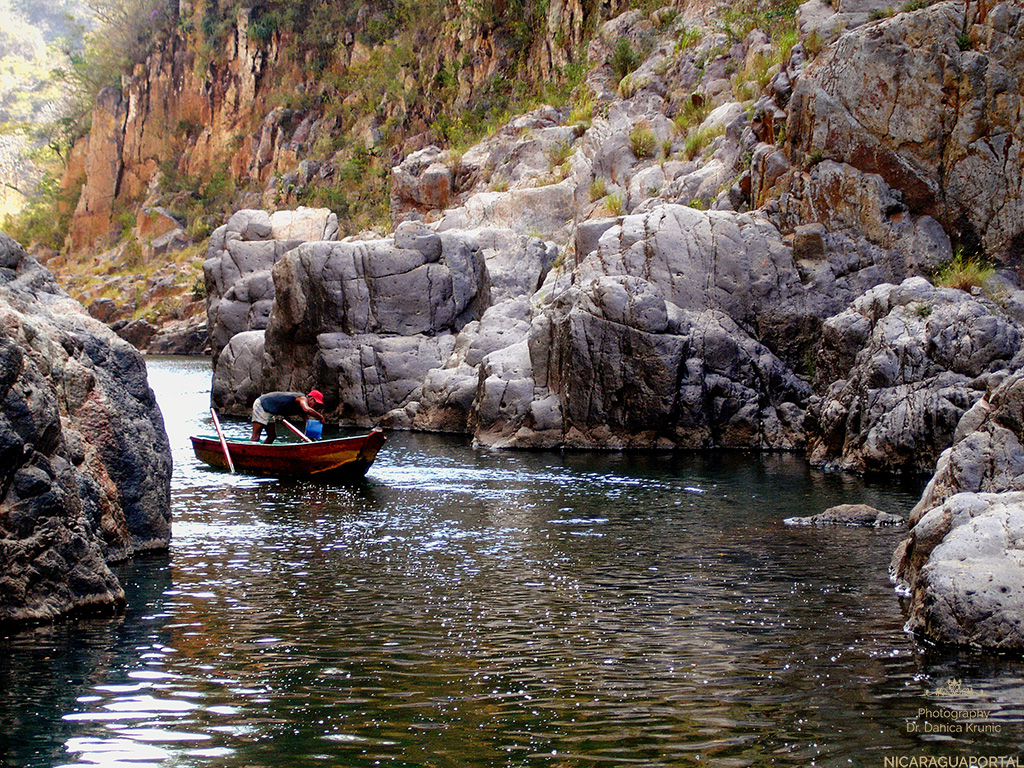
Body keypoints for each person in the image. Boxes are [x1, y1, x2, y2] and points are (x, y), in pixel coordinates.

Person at [250, 389, 325, 443]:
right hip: (262, 404)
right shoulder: (302, 399)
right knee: (256, 436)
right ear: (311, 399)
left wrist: (312, 438)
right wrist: (320, 417)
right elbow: (306, 409)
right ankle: (248, 455)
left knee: (272, 437)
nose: (315, 407)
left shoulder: (302, 409)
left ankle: (263, 453)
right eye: (316, 404)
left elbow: (307, 423)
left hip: (271, 410)